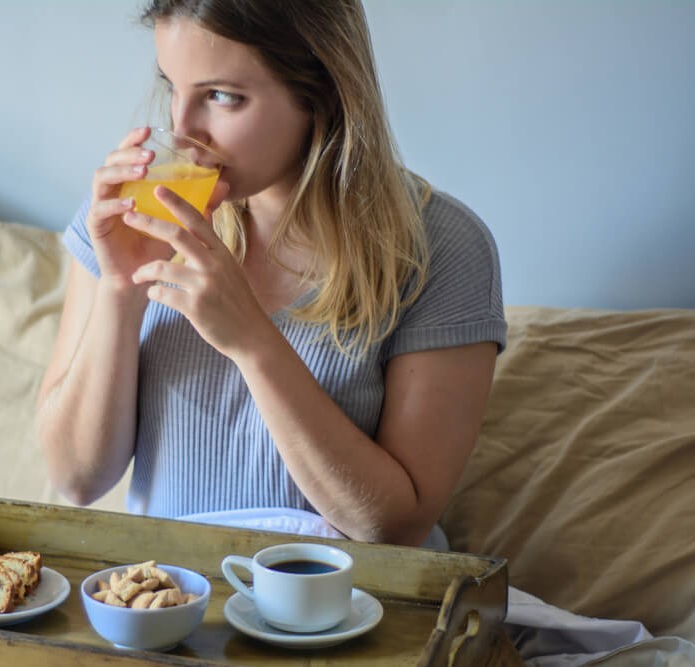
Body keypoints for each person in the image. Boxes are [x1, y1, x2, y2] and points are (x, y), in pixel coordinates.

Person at [37, 0, 506, 549]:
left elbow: (394, 527)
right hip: (174, 606)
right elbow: (76, 480)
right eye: (173, 88)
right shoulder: (128, 217)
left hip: (341, 613)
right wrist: (120, 292)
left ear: (323, 92)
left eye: (221, 96)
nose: (183, 132)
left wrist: (254, 342)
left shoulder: (441, 246)